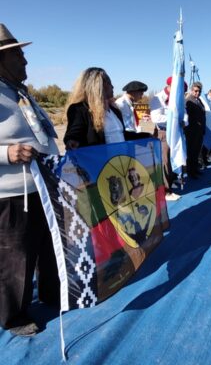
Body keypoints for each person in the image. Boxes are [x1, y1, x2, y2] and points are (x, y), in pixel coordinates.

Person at [0, 24, 60, 336]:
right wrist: (7, 154)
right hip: (11, 193)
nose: (26, 62)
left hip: (42, 186)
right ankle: (15, 316)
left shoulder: (21, 94)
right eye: (18, 57)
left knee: (48, 245)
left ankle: (52, 293)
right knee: (16, 254)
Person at [64, 68, 150, 149]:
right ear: (97, 86)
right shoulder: (80, 109)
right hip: (99, 163)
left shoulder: (114, 110)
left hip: (121, 160)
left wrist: (146, 135)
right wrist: (72, 141)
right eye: (109, 83)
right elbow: (75, 132)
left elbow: (122, 135)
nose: (113, 87)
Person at [150, 77, 181, 200]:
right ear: (169, 86)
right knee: (165, 161)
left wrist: (184, 120)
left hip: (175, 132)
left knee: (174, 158)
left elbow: (183, 113)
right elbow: (156, 118)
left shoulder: (176, 98)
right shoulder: (158, 98)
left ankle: (172, 180)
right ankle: (166, 191)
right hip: (164, 132)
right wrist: (173, 118)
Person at [184, 82, 206, 179]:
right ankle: (190, 172)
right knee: (191, 152)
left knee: (197, 151)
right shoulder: (188, 101)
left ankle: (195, 169)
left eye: (199, 91)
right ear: (191, 90)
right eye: (196, 91)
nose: (198, 93)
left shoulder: (199, 100)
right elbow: (187, 117)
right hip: (192, 131)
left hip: (199, 131)